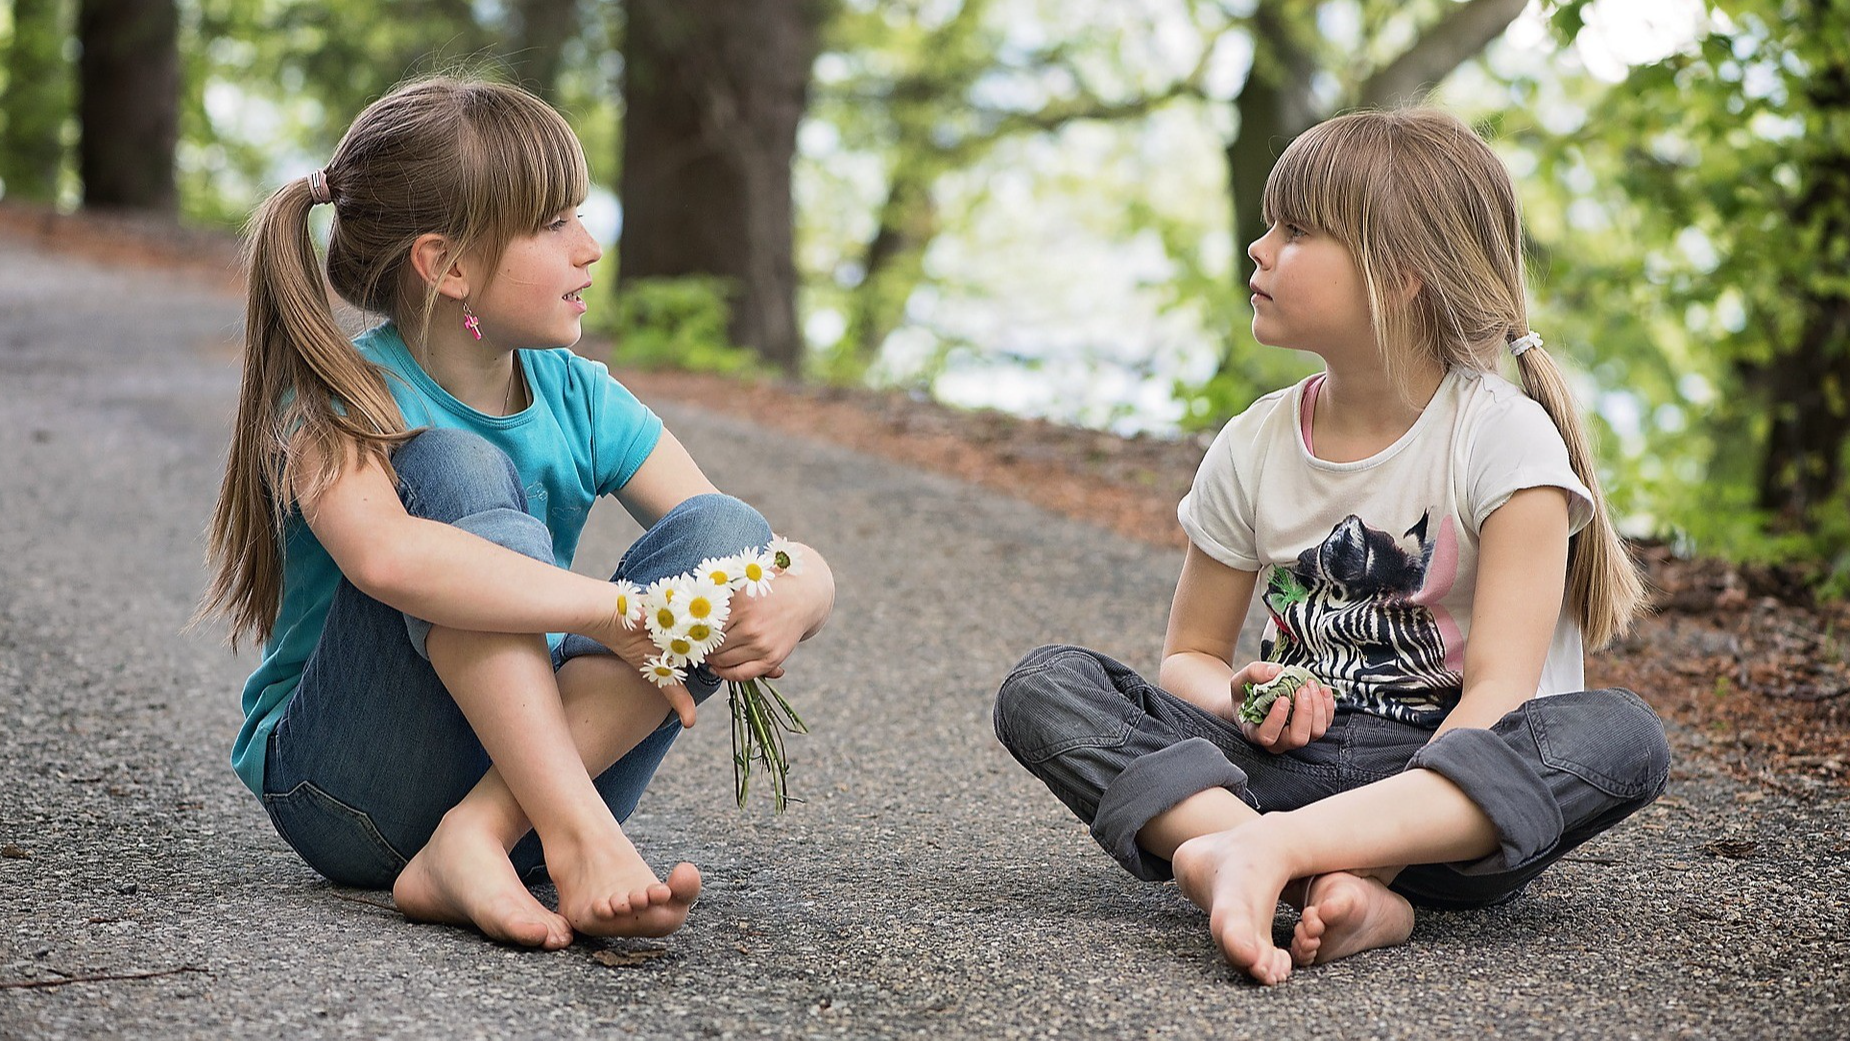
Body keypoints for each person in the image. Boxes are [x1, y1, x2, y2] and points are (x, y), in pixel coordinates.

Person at [993, 108, 1668, 985]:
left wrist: (1370, 856)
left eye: (1297, 230)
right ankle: (1273, 862)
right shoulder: (1255, 441)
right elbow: (1190, 655)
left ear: (1401, 275)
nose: (1260, 248)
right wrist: (1244, 696)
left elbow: (1499, 696)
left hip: (1441, 809)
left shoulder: (1505, 442)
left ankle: (1247, 856)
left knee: (1622, 735)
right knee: (1046, 686)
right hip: (1272, 770)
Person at [197, 77, 834, 950]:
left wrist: (807, 587)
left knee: (726, 533)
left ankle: (480, 836)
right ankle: (575, 835)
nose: (590, 248)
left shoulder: (579, 396)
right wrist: (613, 611)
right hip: (352, 790)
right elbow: (386, 559)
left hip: (528, 784)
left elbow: (735, 541)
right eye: (552, 224)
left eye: (580, 214)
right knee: (455, 465)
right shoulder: (336, 396)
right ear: (447, 265)